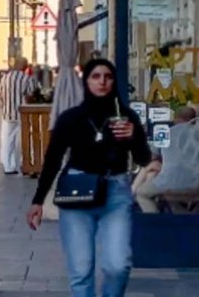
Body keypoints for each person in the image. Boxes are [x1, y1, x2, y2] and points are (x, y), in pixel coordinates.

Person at [28, 57, 151, 297]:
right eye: (96, 76)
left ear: (114, 81)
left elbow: (143, 158)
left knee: (118, 265)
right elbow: (52, 160)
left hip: (115, 191)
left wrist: (134, 137)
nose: (102, 82)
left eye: (107, 77)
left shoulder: (125, 117)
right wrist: (38, 200)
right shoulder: (71, 118)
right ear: (87, 81)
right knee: (81, 271)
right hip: (77, 190)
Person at [133, 106, 199, 212]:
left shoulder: (165, 133)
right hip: (197, 183)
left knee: (142, 194)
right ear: (194, 120)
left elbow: (151, 156)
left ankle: (156, 223)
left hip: (168, 183)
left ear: (175, 119)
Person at [0, 59, 33, 174]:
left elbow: (1, 94)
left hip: (8, 113)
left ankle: (8, 166)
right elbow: (31, 95)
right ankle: (26, 163)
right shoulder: (27, 78)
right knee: (27, 139)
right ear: (25, 67)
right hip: (23, 113)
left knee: (7, 140)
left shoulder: (5, 78)